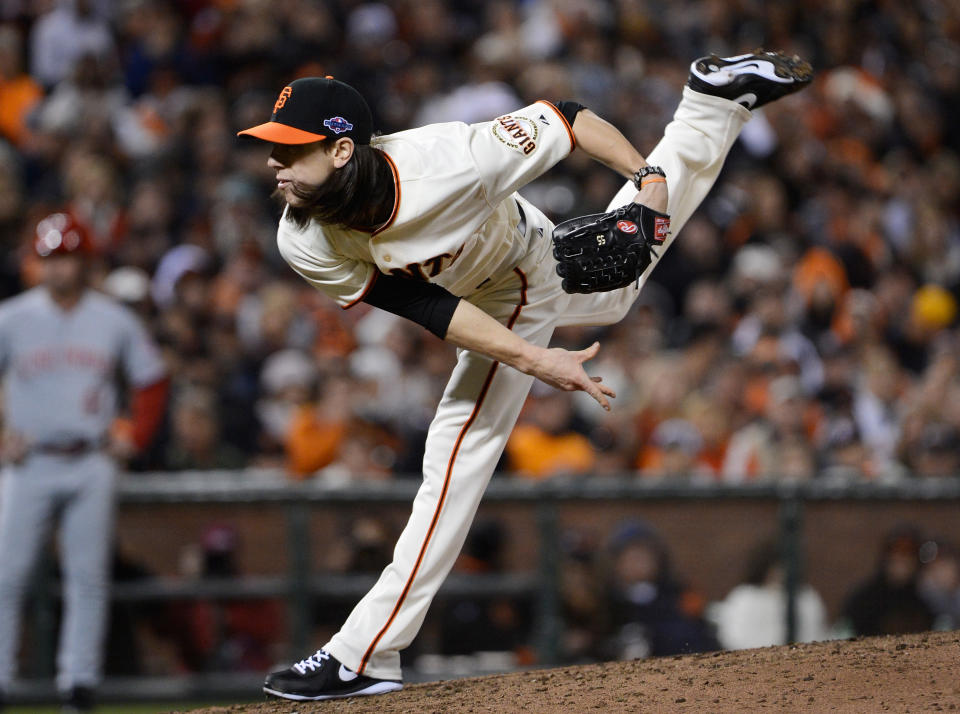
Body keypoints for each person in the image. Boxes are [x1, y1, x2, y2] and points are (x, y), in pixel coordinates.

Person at [238, 50, 812, 700]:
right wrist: (540, 361)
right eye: (271, 147)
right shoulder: (302, 238)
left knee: (457, 455)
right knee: (618, 292)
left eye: (290, 150)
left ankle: (363, 654)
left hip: (519, 265)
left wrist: (644, 176)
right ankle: (711, 104)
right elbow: (427, 307)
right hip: (485, 294)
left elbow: (564, 120)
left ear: (341, 151)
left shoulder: (450, 159)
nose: (273, 163)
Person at [0, 213, 167, 712]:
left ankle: (79, 685)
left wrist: (132, 436)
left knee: (88, 578)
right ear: (36, 263)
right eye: (51, 259)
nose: (60, 270)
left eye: (68, 259)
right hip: (29, 461)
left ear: (86, 262)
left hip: (91, 460)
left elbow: (152, 380)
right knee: (7, 576)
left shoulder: (113, 318)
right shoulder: (12, 316)